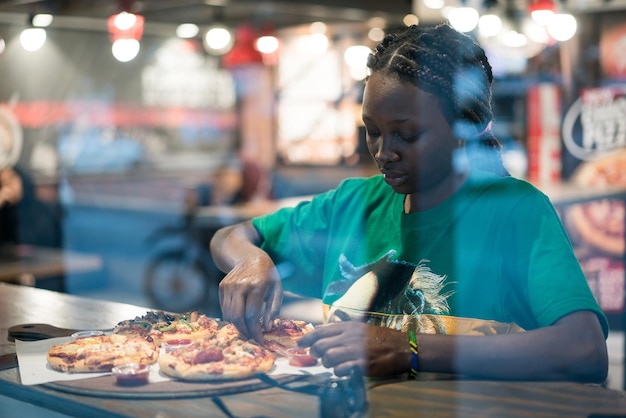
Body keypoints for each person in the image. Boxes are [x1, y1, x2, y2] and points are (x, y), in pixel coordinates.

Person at [210, 24, 608, 383]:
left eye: (407, 134)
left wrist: (410, 348)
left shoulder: (515, 212)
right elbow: (231, 236)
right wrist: (251, 260)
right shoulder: (352, 204)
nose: (384, 152)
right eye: (373, 131)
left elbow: (584, 350)